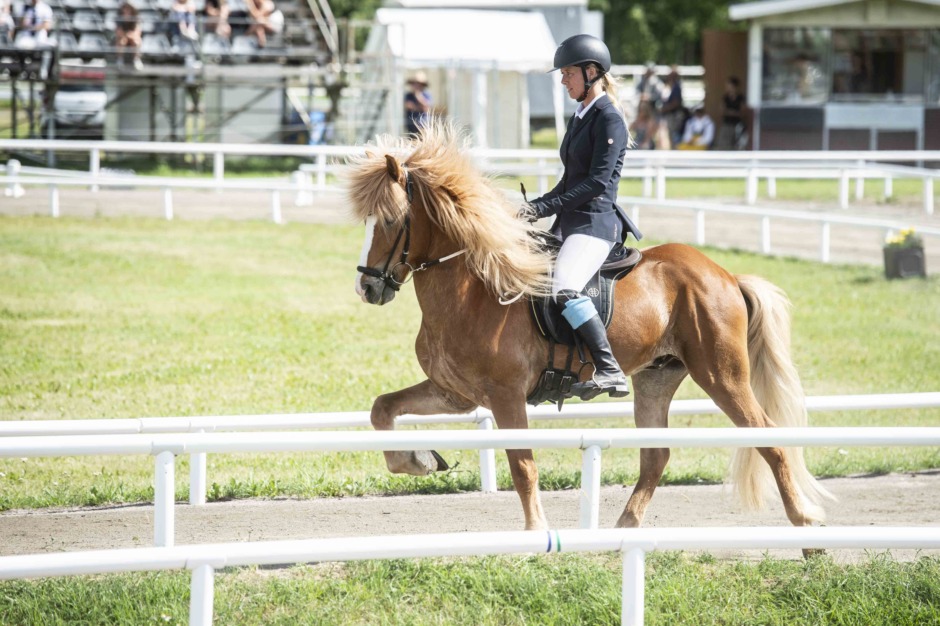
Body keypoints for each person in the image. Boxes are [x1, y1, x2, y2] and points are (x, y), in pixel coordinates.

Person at [520, 34, 642, 400]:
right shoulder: (581, 116)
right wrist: (533, 207)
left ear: (591, 72)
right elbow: (569, 180)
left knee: (565, 287)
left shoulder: (609, 119)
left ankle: (609, 369)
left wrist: (545, 208)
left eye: (568, 73)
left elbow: (595, 184)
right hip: (570, 224)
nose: (563, 81)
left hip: (595, 224)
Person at [715, 76, 745, 150]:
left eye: (730, 86)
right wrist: (732, 112)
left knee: (737, 143)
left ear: (735, 86)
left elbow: (742, 112)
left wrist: (730, 112)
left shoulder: (741, 97)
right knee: (723, 143)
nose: (728, 88)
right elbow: (722, 111)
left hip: (737, 124)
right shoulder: (725, 97)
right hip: (727, 123)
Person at [660, 68, 685, 146]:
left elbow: (676, 103)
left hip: (674, 115)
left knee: (674, 134)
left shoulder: (676, 87)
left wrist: (665, 108)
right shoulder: (670, 86)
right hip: (670, 115)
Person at [115, 1, 143, 70]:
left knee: (136, 41)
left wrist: (129, 35)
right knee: (122, 41)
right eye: (125, 8)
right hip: (122, 38)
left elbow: (137, 32)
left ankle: (136, 60)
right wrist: (127, 35)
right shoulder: (119, 19)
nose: (127, 10)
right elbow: (119, 33)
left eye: (129, 8)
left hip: (132, 38)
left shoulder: (135, 19)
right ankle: (120, 60)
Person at [404, 71, 432, 136]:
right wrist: (419, 107)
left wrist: (418, 95)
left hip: (423, 125)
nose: (416, 85)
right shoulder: (409, 95)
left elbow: (426, 107)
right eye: (414, 83)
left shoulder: (426, 94)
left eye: (418, 83)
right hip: (411, 126)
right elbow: (408, 106)